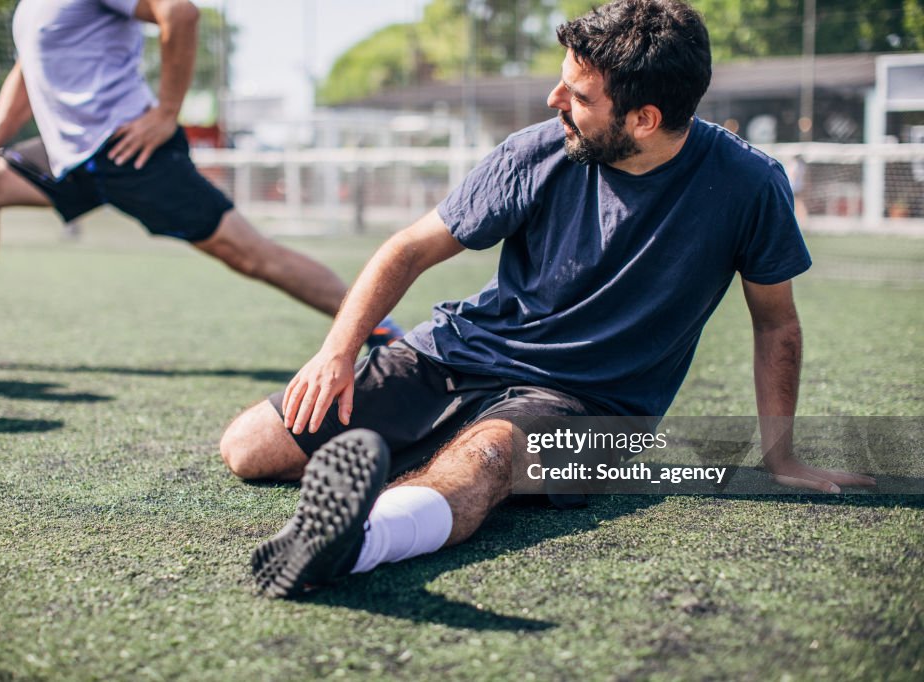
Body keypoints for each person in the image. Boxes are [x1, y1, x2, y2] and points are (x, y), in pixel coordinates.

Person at [220, 0, 877, 598]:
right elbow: (409, 248)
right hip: (461, 353)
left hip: (598, 410)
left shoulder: (750, 184)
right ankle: (419, 461)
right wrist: (337, 352)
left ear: (643, 119)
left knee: (483, 464)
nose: (553, 97)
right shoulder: (534, 152)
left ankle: (353, 543)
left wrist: (780, 453)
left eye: (579, 93)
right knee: (250, 448)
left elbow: (776, 326)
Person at [0, 0, 402, 367]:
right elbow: (28, 70)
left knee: (252, 255)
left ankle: (382, 329)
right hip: (69, 157)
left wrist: (166, 112)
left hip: (129, 152)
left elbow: (179, 13)